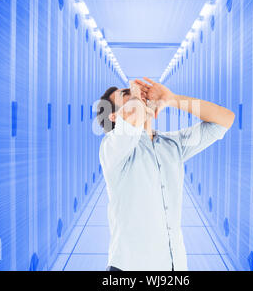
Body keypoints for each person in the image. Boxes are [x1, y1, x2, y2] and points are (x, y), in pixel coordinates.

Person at [96, 77, 235, 271]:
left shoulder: (172, 145)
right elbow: (131, 123)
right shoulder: (111, 148)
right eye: (126, 94)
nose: (139, 95)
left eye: (139, 93)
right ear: (113, 117)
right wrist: (138, 97)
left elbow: (225, 120)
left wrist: (172, 99)